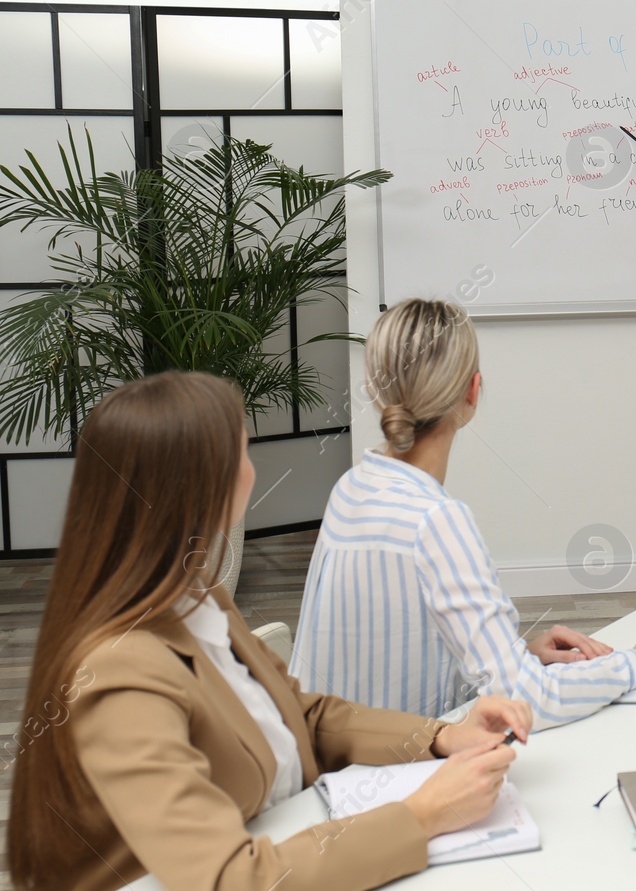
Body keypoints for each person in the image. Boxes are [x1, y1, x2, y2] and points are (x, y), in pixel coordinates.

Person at [7, 371, 535, 891]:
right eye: (243, 453)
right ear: (197, 487)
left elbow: (299, 715)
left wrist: (442, 737)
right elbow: (230, 882)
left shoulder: (196, 593)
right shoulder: (119, 674)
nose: (251, 471)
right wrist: (420, 817)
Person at [291, 297, 636, 721]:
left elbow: (394, 656)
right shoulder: (436, 521)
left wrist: (517, 654)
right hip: (397, 773)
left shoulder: (352, 487)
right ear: (473, 389)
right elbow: (527, 701)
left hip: (332, 761)